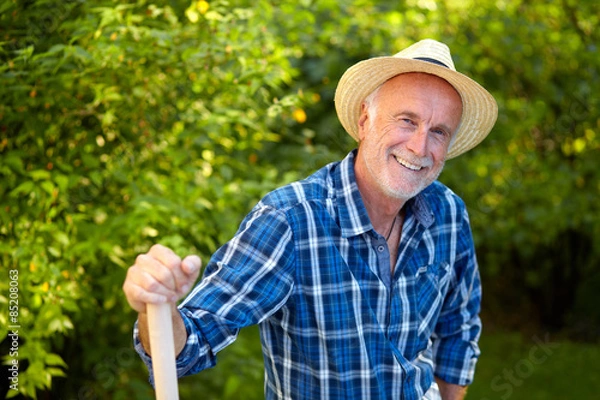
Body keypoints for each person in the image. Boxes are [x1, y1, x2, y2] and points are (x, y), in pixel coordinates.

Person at [123, 39, 498, 400]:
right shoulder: (291, 220)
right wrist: (157, 306)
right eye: (406, 120)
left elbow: (458, 328)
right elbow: (186, 346)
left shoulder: (448, 213)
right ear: (365, 119)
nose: (419, 147)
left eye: (438, 132)